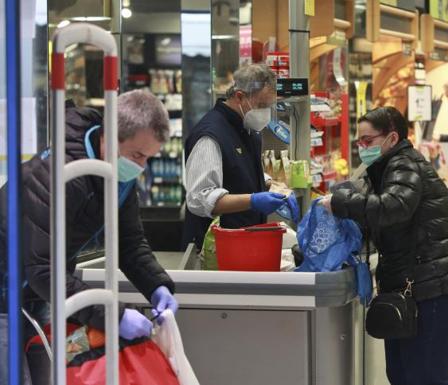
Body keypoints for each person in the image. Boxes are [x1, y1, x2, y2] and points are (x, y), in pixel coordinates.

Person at [0, 90, 179, 385]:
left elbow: (129, 242)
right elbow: (42, 268)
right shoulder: (60, 173)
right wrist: (113, 316)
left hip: (36, 298)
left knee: (48, 376)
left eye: (149, 158)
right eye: (137, 155)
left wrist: (157, 286)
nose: (141, 167)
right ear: (108, 135)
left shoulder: (118, 176)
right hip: (7, 297)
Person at [320, 107, 448, 385]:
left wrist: (342, 204)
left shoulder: (404, 164)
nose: (362, 148)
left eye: (368, 141)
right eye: (358, 142)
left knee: (424, 378)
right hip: (411, 289)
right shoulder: (381, 169)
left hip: (432, 293)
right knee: (403, 375)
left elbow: (395, 206)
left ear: (391, 138)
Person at [183, 64, 284, 248]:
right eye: (261, 105)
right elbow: (200, 198)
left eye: (269, 107)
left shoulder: (248, 129)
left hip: (245, 242)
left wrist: (268, 183)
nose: (265, 113)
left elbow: (238, 170)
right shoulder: (210, 136)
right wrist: (253, 201)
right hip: (216, 248)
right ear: (240, 97)